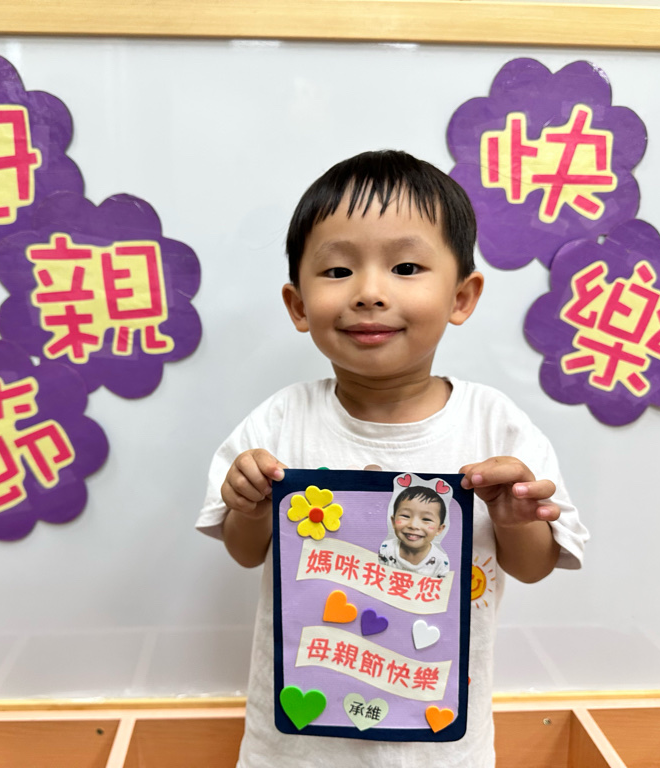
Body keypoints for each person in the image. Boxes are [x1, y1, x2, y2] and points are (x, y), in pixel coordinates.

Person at [196, 149, 589, 767]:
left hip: (441, 748)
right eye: (337, 271)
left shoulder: (496, 426)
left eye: (406, 267)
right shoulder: (280, 421)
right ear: (298, 305)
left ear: (462, 296)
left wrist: (515, 521)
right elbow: (246, 552)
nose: (370, 293)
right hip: (296, 750)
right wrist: (248, 506)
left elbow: (535, 567)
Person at [378, 484, 450, 578]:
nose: (413, 525)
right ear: (393, 521)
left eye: (426, 519)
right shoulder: (384, 550)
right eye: (405, 516)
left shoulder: (441, 563)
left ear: (439, 529)